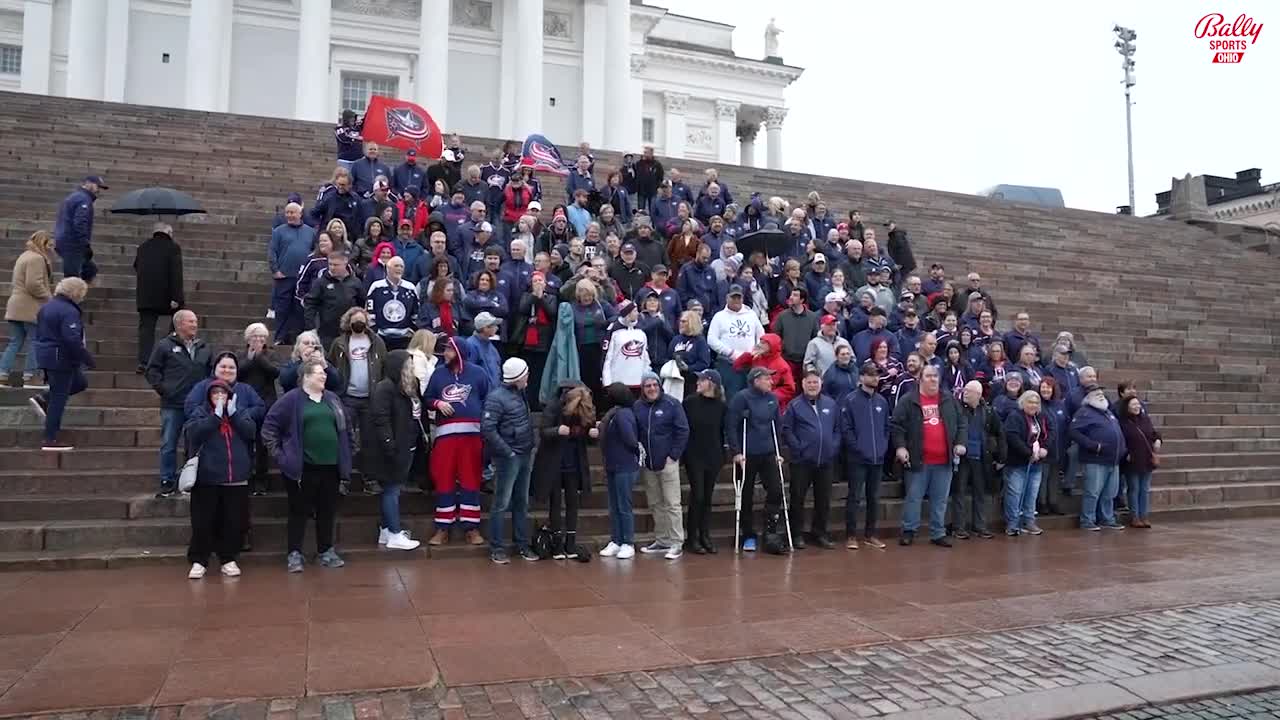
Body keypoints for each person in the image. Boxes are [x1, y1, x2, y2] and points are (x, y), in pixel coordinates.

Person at [262, 358, 353, 572]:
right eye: (319, 372)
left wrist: (349, 450)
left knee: (327, 511)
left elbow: (346, 427)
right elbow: (269, 427)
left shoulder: (332, 399)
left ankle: (326, 550)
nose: (324, 375)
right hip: (303, 468)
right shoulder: (292, 399)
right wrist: (281, 455)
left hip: (331, 467)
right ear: (305, 376)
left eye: (324, 372)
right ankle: (294, 553)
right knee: (298, 511)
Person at [183, 379, 256, 579]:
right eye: (215, 393)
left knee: (233, 521)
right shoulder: (201, 413)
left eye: (223, 393)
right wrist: (215, 418)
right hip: (208, 478)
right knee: (203, 521)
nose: (220, 397)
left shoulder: (239, 413)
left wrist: (233, 416)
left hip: (236, 478)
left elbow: (250, 432)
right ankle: (199, 560)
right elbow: (193, 433)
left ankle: (228, 558)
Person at [424, 337, 491, 545]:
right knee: (443, 478)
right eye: (445, 350)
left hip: (472, 437)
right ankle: (442, 527)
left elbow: (488, 400)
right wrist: (437, 402)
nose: (445, 354)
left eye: (449, 350)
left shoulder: (478, 374)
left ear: (460, 352)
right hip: (445, 438)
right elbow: (427, 398)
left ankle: (471, 527)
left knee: (471, 478)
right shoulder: (438, 374)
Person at [891, 365, 966, 547]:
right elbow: (896, 427)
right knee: (914, 498)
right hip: (918, 461)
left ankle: (937, 532)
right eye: (929, 376)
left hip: (944, 461)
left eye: (935, 376)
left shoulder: (949, 399)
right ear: (920, 379)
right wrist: (900, 447)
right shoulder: (909, 400)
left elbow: (962, 423)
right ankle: (909, 530)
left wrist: (960, 443)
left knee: (940, 499)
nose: (933, 380)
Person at [145, 310, 213, 497]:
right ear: (179, 324)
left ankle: (190, 479)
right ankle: (167, 479)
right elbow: (152, 371)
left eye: (196, 321)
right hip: (173, 404)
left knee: (194, 443)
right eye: (191, 321)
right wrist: (165, 390)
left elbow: (210, 371)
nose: (194, 325)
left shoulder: (204, 347)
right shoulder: (164, 346)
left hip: (197, 405)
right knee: (169, 443)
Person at [28, 278, 94, 450]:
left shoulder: (47, 306)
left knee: (80, 382)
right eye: (82, 293)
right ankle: (50, 438)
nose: (83, 297)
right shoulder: (68, 311)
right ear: (76, 292)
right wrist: (86, 358)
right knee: (59, 397)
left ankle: (44, 398)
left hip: (47, 354)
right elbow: (71, 338)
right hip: (60, 358)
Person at [727, 367, 787, 554]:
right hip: (747, 453)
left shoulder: (772, 399)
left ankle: (770, 530)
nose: (771, 381)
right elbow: (731, 425)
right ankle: (748, 534)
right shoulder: (741, 398)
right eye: (767, 378)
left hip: (768, 451)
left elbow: (777, 426)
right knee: (746, 494)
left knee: (776, 489)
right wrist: (736, 452)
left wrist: (778, 451)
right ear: (755, 380)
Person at [328, 306, 387, 495]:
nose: (359, 323)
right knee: (344, 438)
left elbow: (384, 367)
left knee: (370, 441)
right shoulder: (339, 343)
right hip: (347, 397)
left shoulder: (377, 342)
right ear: (349, 323)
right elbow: (332, 368)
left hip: (370, 398)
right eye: (355, 320)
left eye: (362, 320)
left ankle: (369, 478)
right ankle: (343, 478)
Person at [633, 372, 690, 559]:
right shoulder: (638, 407)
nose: (651, 389)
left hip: (668, 462)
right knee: (655, 503)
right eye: (647, 386)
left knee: (672, 503)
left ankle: (676, 542)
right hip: (648, 463)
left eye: (654, 385)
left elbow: (683, 431)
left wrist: (673, 455)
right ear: (643, 389)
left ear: (660, 386)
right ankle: (663, 539)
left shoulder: (672, 404)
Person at [782, 370, 841, 549]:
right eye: (809, 382)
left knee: (823, 500)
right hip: (802, 462)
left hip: (825, 461)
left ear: (821, 384)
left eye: (815, 382)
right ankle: (796, 534)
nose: (812, 385)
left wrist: (834, 446)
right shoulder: (795, 405)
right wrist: (798, 448)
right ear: (803, 384)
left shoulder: (831, 404)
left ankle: (820, 532)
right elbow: (787, 430)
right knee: (798, 498)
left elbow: (838, 428)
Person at [838, 361, 889, 549]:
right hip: (858, 458)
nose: (875, 378)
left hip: (877, 458)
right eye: (870, 374)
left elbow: (886, 428)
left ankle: (871, 534)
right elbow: (846, 429)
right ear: (861, 377)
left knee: (874, 497)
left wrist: (883, 447)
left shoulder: (881, 401)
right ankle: (851, 535)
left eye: (877, 375)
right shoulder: (850, 400)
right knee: (855, 497)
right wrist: (857, 448)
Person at [949, 380, 1003, 540]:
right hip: (962, 458)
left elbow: (999, 432)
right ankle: (959, 527)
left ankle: (979, 526)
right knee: (959, 492)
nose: (965, 393)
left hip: (981, 458)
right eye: (965, 390)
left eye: (969, 391)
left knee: (980, 493)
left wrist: (1000, 456)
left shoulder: (987, 410)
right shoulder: (956, 408)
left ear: (978, 395)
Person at [1070, 384, 1127, 531]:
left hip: (1113, 460)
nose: (1101, 395)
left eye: (1102, 392)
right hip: (1095, 460)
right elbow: (1074, 431)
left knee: (1110, 493)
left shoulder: (1108, 412)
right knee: (1092, 492)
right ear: (1088, 398)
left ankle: (1107, 519)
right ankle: (1087, 520)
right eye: (1096, 393)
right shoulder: (1084, 412)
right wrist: (1093, 445)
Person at [2, 231, 55, 388]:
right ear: (42, 243)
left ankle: (2, 375)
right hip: (30, 306)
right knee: (36, 341)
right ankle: (31, 377)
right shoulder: (37, 258)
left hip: (16, 305)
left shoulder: (24, 255)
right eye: (50, 245)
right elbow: (33, 284)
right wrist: (49, 298)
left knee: (15, 342)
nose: (52, 249)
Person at [681, 369, 725, 554]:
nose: (698, 382)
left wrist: (723, 454)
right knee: (697, 495)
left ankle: (704, 534)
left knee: (707, 497)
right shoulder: (690, 402)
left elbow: (722, 431)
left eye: (702, 380)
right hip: (694, 455)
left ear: (711, 383)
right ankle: (692, 537)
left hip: (713, 455)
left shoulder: (721, 406)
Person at [132, 223, 186, 373]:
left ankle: (144, 361)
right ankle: (169, 354)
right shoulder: (173, 247)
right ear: (168, 232)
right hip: (166, 296)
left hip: (146, 297)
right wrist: (177, 297)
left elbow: (136, 266)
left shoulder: (142, 247)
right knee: (178, 321)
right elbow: (176, 273)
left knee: (146, 329)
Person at [599, 382, 641, 559]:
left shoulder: (622, 414)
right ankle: (616, 540)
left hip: (624, 465)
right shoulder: (616, 413)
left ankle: (628, 542)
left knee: (623, 506)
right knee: (614, 505)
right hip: (614, 464)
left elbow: (630, 439)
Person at [1003, 390, 1052, 537]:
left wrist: (1045, 448)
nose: (1034, 405)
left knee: (1031, 495)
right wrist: (1028, 453)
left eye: (1036, 402)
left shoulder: (1041, 417)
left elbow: (1050, 432)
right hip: (1018, 463)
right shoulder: (1015, 417)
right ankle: (1012, 524)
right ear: (1022, 403)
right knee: (1015, 494)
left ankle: (1029, 521)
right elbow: (1012, 437)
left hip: (1037, 463)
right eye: (1030, 402)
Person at [269, 203, 319, 345]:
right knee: (282, 308)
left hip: (302, 278)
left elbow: (313, 252)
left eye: (293, 212)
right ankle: (280, 337)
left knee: (300, 309)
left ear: (300, 214)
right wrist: (275, 270)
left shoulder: (310, 232)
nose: (290, 215)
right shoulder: (278, 231)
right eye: (287, 212)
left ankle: (299, 338)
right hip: (284, 276)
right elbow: (272, 251)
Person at [239, 323, 279, 495]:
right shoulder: (241, 356)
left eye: (262, 337)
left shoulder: (271, 355)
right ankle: (245, 476)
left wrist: (259, 357)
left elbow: (275, 372)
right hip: (246, 403)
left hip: (266, 403)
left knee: (262, 444)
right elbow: (238, 373)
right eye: (255, 336)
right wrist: (250, 359)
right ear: (248, 339)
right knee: (245, 442)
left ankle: (262, 480)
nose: (259, 340)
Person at [511, 271, 557, 408]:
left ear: (545, 283)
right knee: (528, 374)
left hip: (544, 341)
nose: (537, 284)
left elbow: (551, 312)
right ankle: (527, 401)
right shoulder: (526, 296)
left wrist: (541, 297)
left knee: (541, 373)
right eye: (535, 281)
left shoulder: (551, 298)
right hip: (528, 342)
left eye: (540, 281)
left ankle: (539, 402)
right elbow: (523, 308)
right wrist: (534, 296)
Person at [305, 251, 365, 349]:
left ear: (345, 263)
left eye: (336, 265)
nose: (332, 267)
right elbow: (310, 304)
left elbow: (362, 304)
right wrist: (311, 328)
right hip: (327, 333)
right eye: (330, 264)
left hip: (350, 332)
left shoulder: (355, 283)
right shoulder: (320, 283)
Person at [54, 175, 106, 284]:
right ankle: (68, 298)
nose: (99, 190)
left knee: (90, 270)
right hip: (73, 243)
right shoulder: (83, 199)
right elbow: (80, 222)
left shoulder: (74, 197)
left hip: (65, 241)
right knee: (71, 279)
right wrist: (85, 244)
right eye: (98, 186)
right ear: (88, 184)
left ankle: (78, 294)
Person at [1119, 395, 1161, 529]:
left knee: (1144, 489)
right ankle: (1135, 516)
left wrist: (1158, 440)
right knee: (1134, 489)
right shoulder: (1123, 422)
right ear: (1127, 407)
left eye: (1138, 404)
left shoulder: (1145, 419)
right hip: (1132, 460)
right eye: (1133, 404)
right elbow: (1120, 440)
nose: (1137, 407)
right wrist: (1126, 454)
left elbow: (1153, 433)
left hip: (1147, 459)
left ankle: (1144, 516)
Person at [365, 256, 419, 351]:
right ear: (388, 268)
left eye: (401, 266)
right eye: (396, 266)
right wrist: (374, 331)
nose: (399, 269)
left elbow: (416, 313)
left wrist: (413, 330)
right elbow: (370, 312)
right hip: (381, 336)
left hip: (404, 337)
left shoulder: (410, 288)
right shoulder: (376, 286)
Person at [733, 333, 797, 409]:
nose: (759, 345)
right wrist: (750, 355)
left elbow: (789, 389)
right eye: (760, 342)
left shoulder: (782, 365)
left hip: (771, 405)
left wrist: (770, 396)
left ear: (772, 345)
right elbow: (736, 366)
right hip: (752, 401)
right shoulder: (755, 358)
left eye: (763, 343)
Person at [602, 301, 650, 392]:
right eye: (635, 311)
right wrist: (607, 382)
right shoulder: (614, 330)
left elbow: (645, 357)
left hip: (638, 382)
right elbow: (607, 358)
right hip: (619, 383)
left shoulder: (641, 331)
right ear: (627, 313)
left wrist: (646, 377)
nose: (637, 313)